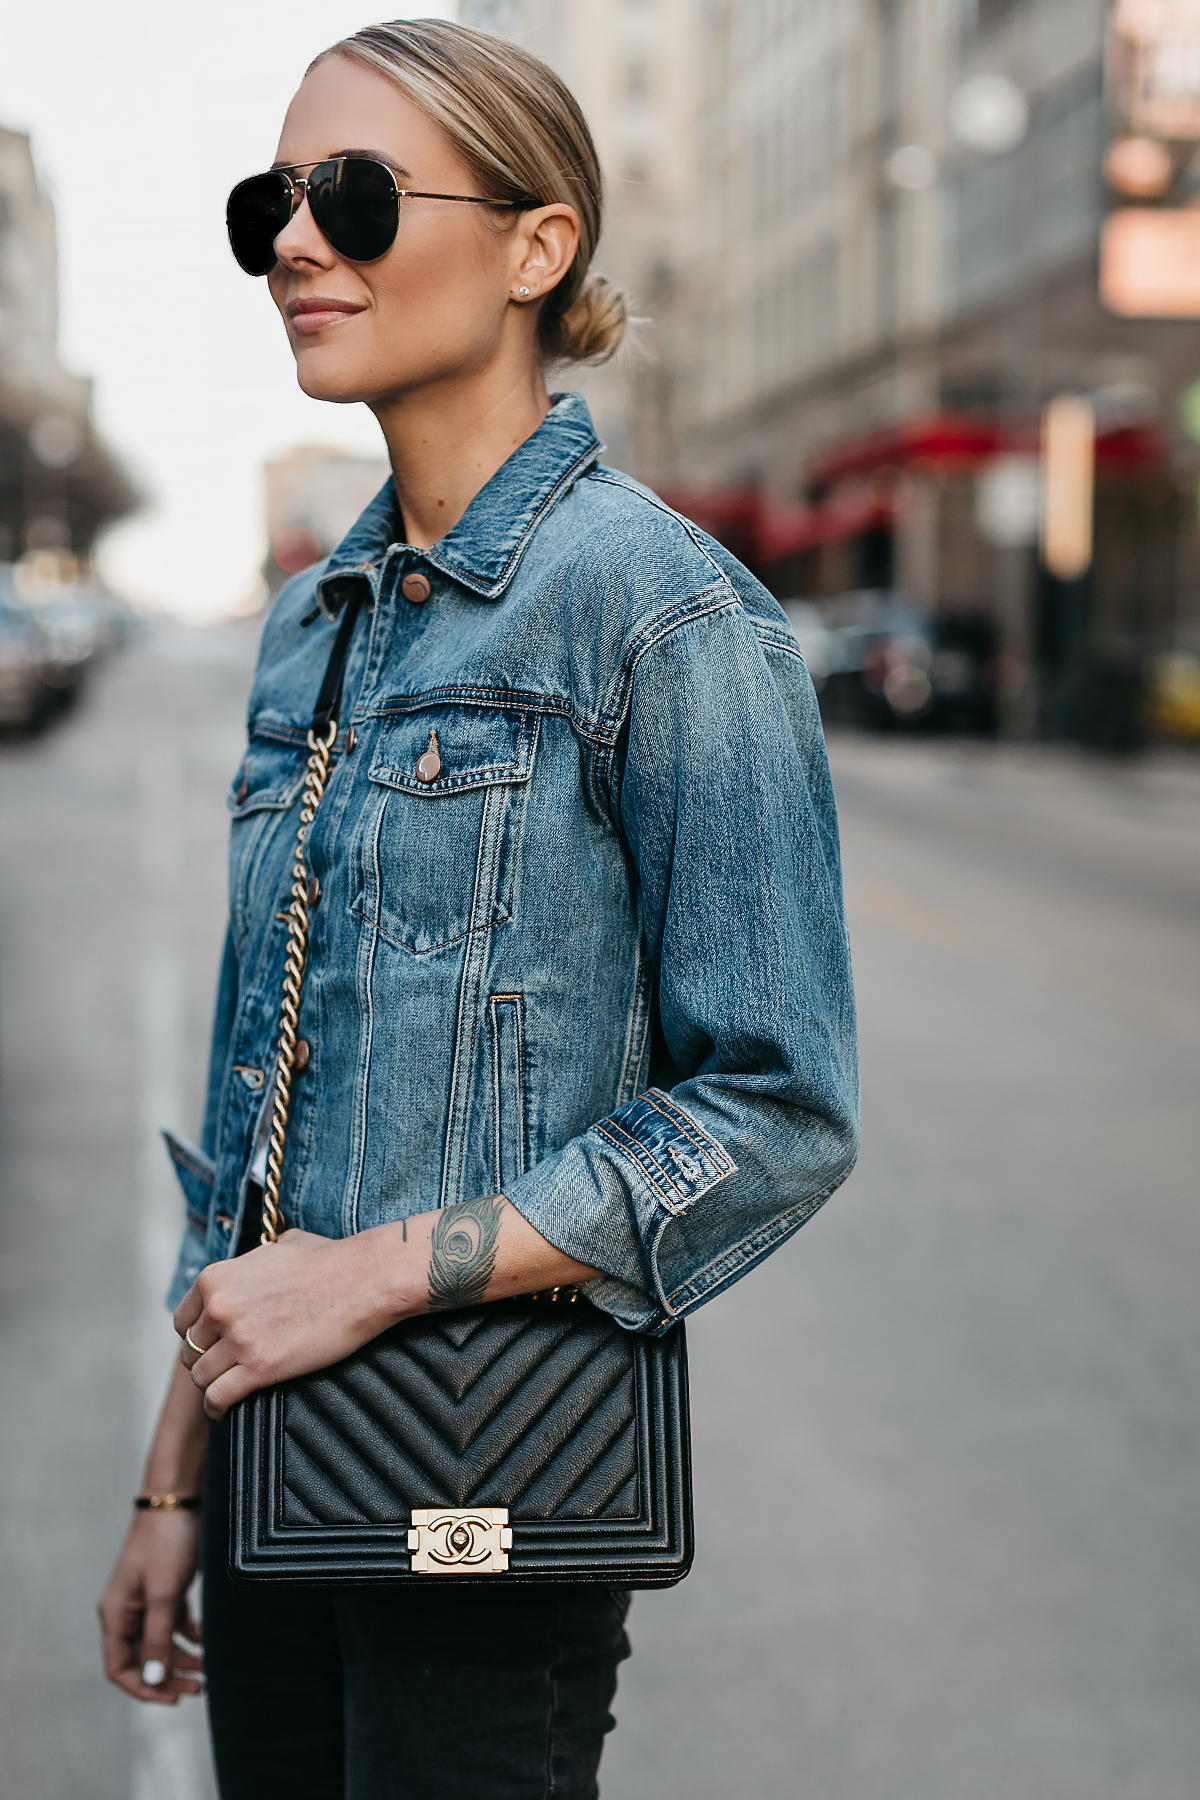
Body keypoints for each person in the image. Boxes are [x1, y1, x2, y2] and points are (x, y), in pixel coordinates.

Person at [98, 19, 859, 1799]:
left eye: (353, 196)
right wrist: (172, 1479)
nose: (297, 243)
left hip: (485, 1477)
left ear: (539, 246)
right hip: (267, 1475)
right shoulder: (320, 625)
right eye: (267, 205)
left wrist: (379, 1277)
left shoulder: (669, 618)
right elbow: (257, 1112)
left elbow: (777, 1110)